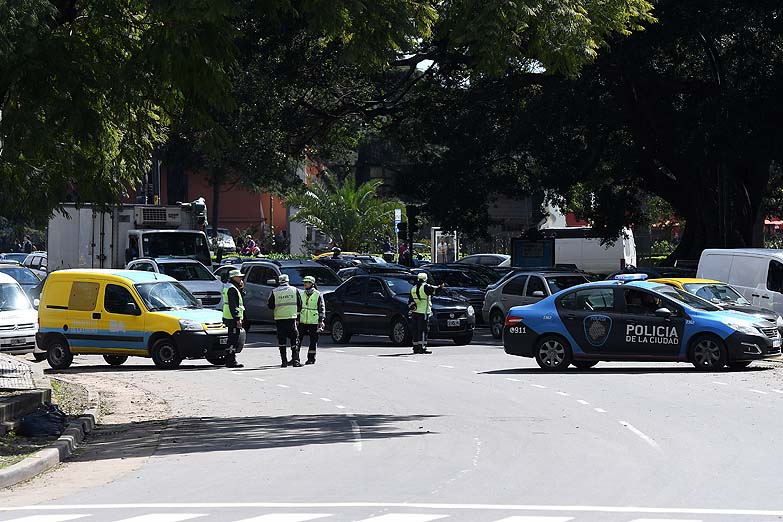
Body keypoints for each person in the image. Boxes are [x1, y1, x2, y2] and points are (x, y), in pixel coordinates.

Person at [268, 273, 302, 367]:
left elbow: (270, 305)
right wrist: (298, 317)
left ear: (279, 281)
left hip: (279, 319)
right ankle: (295, 361)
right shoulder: (294, 290)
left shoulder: (274, 291)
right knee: (294, 340)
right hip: (291, 318)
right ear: (288, 280)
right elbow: (300, 304)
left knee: (282, 341)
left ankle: (284, 362)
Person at [408, 272, 444, 354]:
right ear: (425, 279)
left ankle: (416, 347)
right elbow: (435, 290)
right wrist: (441, 286)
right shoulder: (425, 287)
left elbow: (410, 301)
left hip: (415, 312)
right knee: (423, 330)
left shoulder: (413, 288)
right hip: (424, 312)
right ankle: (422, 347)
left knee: (416, 330)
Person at [222, 269, 246, 368]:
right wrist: (237, 318)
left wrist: (241, 288)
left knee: (232, 338)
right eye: (239, 277)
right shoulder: (232, 288)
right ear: (233, 277)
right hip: (232, 318)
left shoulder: (232, 287)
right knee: (233, 339)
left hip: (229, 316)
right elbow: (233, 305)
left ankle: (230, 359)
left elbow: (239, 298)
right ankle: (231, 361)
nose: (241, 278)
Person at [299, 275, 325, 365]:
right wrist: (297, 319)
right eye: (304, 282)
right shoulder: (301, 294)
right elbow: (298, 308)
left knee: (313, 341)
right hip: (302, 320)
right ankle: (295, 358)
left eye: (307, 282)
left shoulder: (318, 294)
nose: (305, 284)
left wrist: (321, 321)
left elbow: (321, 308)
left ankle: (311, 359)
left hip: (314, 321)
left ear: (312, 284)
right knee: (298, 339)